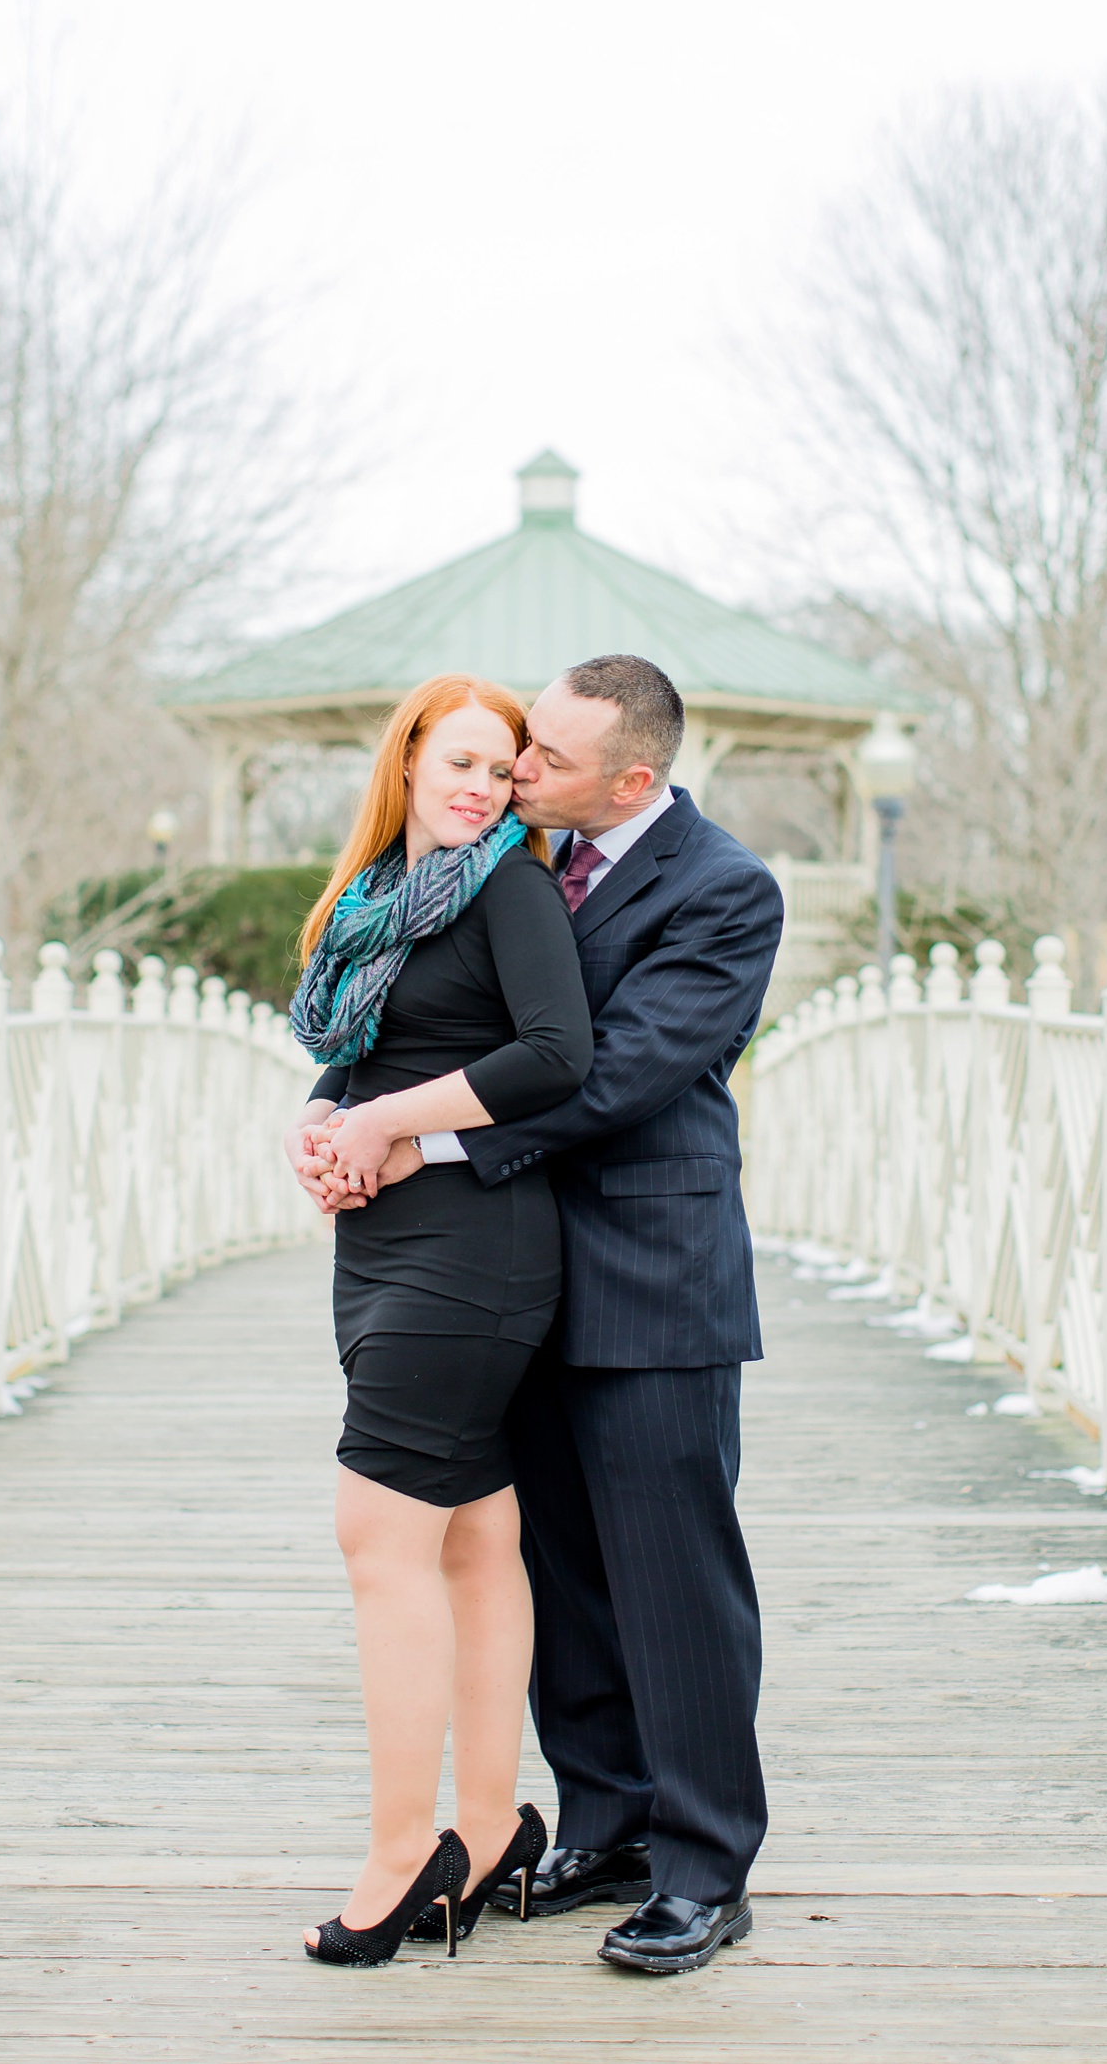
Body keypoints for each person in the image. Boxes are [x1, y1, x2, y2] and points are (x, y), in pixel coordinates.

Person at [298, 654, 785, 1977]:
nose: (518, 772)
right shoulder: (521, 863)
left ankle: (702, 1864)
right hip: (520, 1273)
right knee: (559, 1571)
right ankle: (608, 1821)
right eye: (515, 750)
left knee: (675, 1583)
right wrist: (348, 1114)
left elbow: (615, 1070)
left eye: (546, 761)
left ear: (632, 777)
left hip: (652, 1278)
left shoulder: (726, 890)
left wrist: (421, 1142)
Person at [284, 672, 594, 1968]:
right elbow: (372, 1054)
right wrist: (324, 1118)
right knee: (473, 1532)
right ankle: (490, 1821)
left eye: (499, 766)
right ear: (406, 763)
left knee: (380, 1530)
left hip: (476, 1253)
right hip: (388, 1242)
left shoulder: (510, 886)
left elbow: (553, 1052)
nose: (478, 786)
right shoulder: (375, 907)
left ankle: (402, 1849)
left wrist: (386, 1122)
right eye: (457, 761)